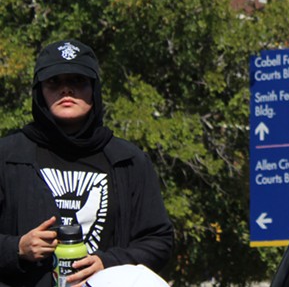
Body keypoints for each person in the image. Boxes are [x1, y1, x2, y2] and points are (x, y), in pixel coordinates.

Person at [0, 39, 174, 287]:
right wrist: (17, 248)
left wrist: (107, 262)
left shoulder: (129, 160)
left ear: (94, 89)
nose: (66, 90)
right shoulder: (7, 156)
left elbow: (159, 240)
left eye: (78, 81)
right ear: (39, 91)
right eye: (54, 81)